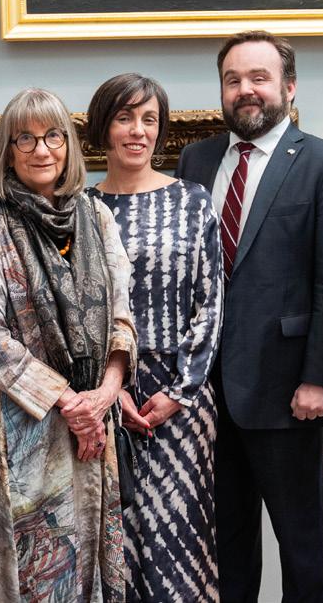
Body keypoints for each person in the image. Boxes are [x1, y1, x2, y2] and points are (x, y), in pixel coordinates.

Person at [176, 30, 323, 603]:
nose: (245, 90)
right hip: (207, 394)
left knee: (301, 550)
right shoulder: (196, 160)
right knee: (224, 548)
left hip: (288, 390)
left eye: (259, 77)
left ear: (290, 86)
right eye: (233, 80)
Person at [0, 88, 135, 602]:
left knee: (93, 571)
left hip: (94, 425)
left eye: (53, 136)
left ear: (68, 144)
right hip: (24, 431)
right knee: (36, 576)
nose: (42, 150)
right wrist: (72, 404)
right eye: (26, 139)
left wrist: (104, 395)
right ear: (8, 150)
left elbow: (122, 315)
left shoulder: (96, 217)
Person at [86, 73, 223, 602]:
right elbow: (78, 311)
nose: (137, 131)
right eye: (125, 118)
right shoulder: (81, 208)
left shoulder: (193, 200)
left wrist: (180, 391)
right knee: (116, 543)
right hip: (104, 395)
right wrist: (111, 389)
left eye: (149, 120)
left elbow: (211, 302)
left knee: (181, 541)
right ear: (104, 126)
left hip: (184, 399)